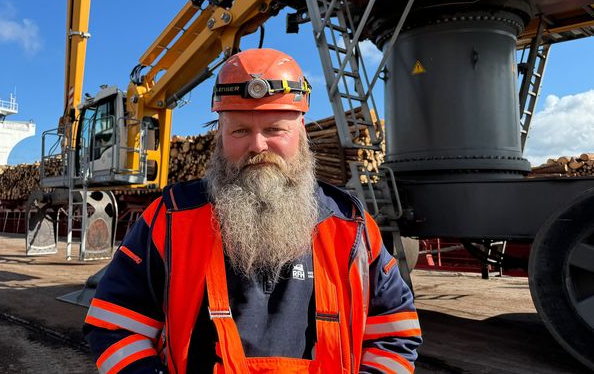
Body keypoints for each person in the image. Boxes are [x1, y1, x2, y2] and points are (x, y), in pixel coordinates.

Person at [84, 48, 422, 373]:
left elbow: (395, 332)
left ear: (300, 131)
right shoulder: (170, 219)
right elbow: (114, 325)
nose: (258, 145)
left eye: (275, 129)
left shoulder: (349, 227)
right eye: (240, 131)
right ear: (220, 135)